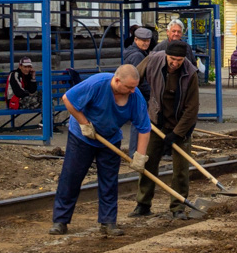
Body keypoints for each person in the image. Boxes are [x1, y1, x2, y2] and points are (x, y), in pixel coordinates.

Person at [51, 65, 150, 237]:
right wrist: (84, 123)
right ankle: (60, 221)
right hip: (82, 136)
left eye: (135, 87)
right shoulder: (97, 84)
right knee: (71, 177)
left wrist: (140, 156)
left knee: (109, 181)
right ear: (117, 80)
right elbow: (68, 99)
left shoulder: (135, 97)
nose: (133, 91)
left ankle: (108, 222)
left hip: (110, 139)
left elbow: (144, 128)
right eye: (129, 87)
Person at [131, 41, 200, 220]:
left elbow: (192, 109)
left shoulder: (190, 73)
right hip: (155, 122)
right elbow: (133, 77)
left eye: (179, 60)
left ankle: (178, 207)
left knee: (181, 169)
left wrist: (177, 134)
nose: (175, 63)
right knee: (148, 163)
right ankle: (143, 204)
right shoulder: (153, 60)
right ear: (166, 55)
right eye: (172, 59)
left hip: (180, 126)